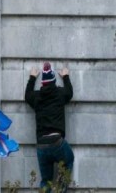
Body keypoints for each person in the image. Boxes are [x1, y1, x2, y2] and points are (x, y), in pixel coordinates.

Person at [25, 62, 74, 193]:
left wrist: (32, 78)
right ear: (53, 81)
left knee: (46, 180)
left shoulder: (37, 97)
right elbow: (69, 92)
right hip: (57, 142)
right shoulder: (59, 94)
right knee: (69, 160)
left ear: (43, 83)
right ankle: (61, 190)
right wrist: (65, 76)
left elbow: (27, 95)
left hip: (41, 144)